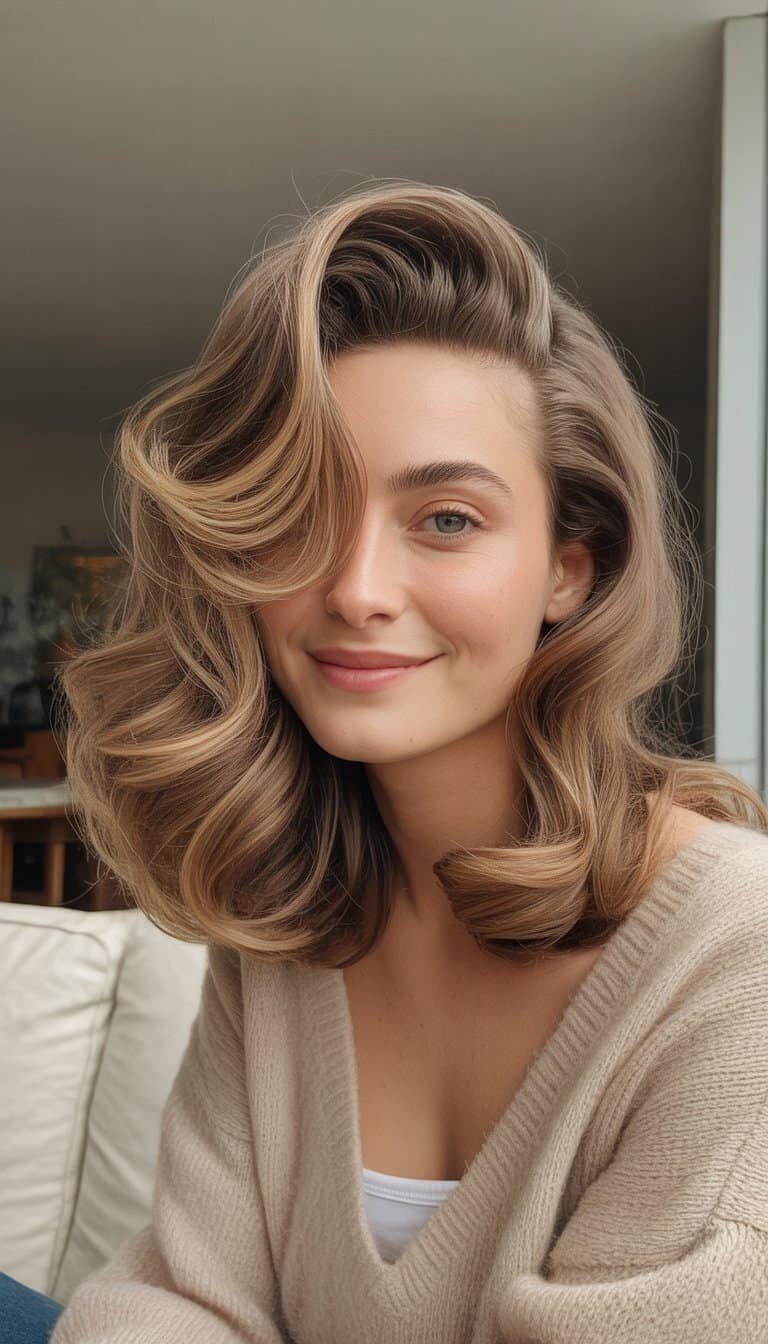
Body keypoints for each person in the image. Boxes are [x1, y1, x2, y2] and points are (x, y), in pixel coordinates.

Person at [11, 179, 765, 1341]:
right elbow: (175, 1295)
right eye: (300, 510)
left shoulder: (734, 947)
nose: (355, 590)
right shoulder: (288, 918)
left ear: (573, 566)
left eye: (447, 519)